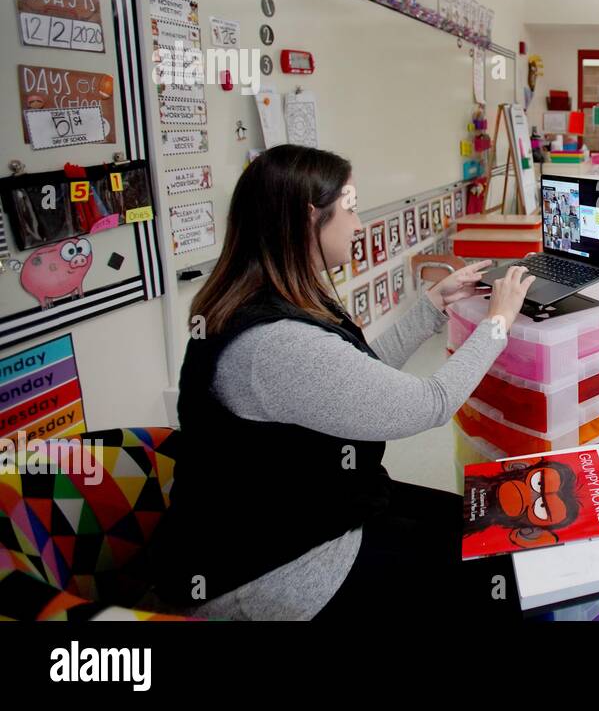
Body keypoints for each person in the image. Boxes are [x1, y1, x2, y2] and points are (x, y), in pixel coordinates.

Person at [146, 145, 535, 620]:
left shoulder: (261, 298)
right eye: (349, 209)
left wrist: (432, 305)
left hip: (308, 513)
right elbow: (427, 405)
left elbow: (355, 374)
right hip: (277, 568)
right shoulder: (273, 344)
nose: (358, 225)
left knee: (488, 526)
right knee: (500, 574)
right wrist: (498, 321)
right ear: (309, 217)